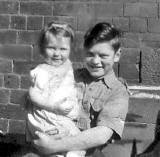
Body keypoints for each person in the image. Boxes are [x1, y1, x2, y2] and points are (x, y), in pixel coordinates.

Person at [32, 22, 129, 157]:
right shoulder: (70, 76)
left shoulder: (117, 91)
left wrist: (53, 146)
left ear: (117, 55)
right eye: (90, 54)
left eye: (103, 56)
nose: (95, 61)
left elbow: (102, 134)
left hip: (88, 153)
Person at [27, 21, 86, 157]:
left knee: (76, 144)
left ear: (70, 50)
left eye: (63, 49)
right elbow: (32, 94)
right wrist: (52, 106)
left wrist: (76, 90)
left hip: (62, 117)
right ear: (42, 49)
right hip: (50, 117)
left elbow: (66, 84)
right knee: (74, 143)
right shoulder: (42, 71)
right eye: (51, 48)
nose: (57, 53)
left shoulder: (66, 65)